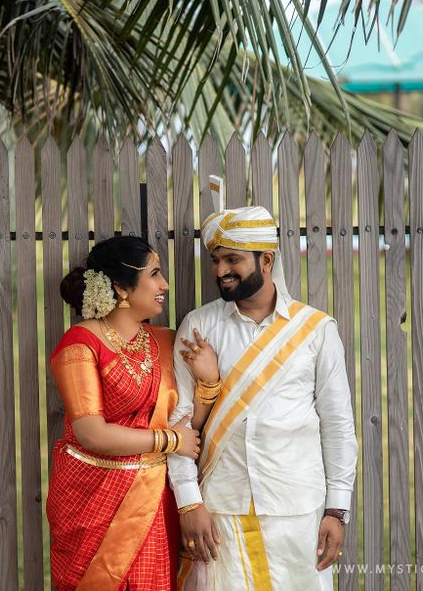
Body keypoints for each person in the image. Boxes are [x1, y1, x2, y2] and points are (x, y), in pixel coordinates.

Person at [169, 181, 358, 590]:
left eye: (233, 259)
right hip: (220, 513)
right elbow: (179, 425)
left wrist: (337, 510)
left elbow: (338, 424)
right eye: (216, 260)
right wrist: (189, 503)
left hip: (297, 510)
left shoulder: (315, 330)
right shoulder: (199, 327)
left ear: (266, 260)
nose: (220, 271)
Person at [47, 236, 206, 591]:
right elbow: (91, 433)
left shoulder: (165, 341)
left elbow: (188, 418)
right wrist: (170, 441)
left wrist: (208, 381)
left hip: (151, 500)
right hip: (92, 500)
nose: (164, 284)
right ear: (121, 286)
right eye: (154, 273)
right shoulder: (80, 344)